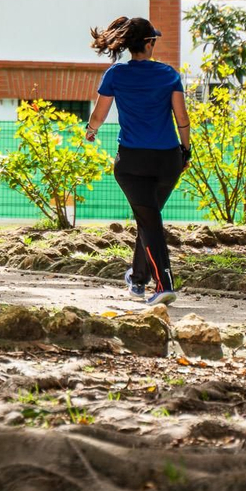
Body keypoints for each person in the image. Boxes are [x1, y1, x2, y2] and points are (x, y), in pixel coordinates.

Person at [85, 16, 189, 305]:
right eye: (153, 39)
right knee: (150, 218)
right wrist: (186, 150)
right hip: (168, 161)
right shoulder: (169, 74)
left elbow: (99, 115)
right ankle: (139, 279)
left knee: (149, 219)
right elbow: (182, 118)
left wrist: (91, 132)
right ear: (148, 43)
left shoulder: (115, 75)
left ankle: (163, 284)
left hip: (133, 163)